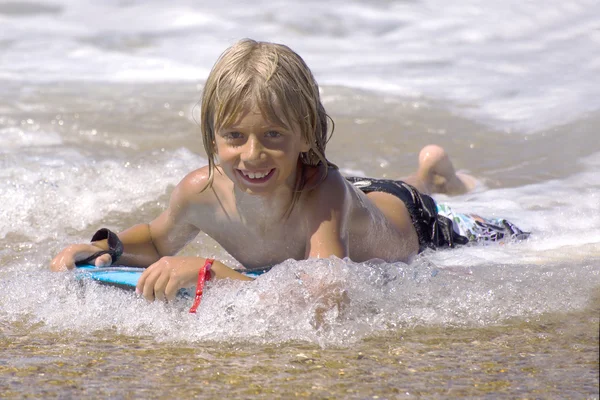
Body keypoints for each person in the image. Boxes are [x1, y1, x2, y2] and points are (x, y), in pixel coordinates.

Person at [50, 39, 527, 302]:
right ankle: (427, 169)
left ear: (306, 136)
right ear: (213, 135)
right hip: (358, 199)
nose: (253, 154)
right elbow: (155, 242)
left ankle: (437, 176)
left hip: (417, 223)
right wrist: (103, 248)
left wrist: (211, 272)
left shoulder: (322, 194)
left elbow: (326, 298)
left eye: (273, 135)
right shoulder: (200, 191)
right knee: (389, 187)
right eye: (235, 136)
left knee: (516, 235)